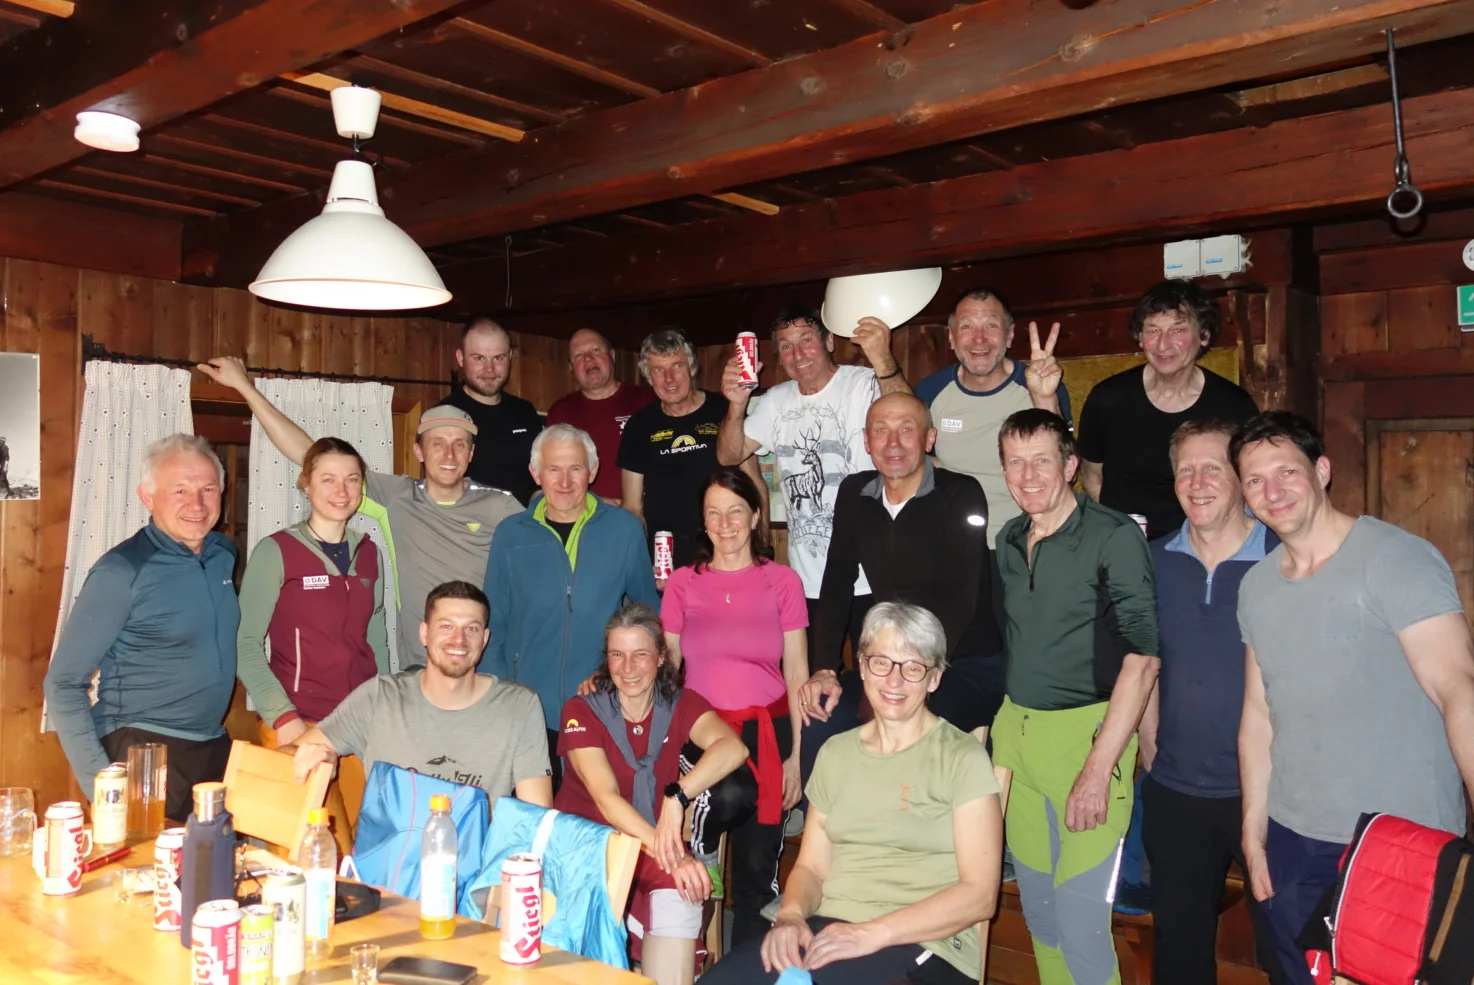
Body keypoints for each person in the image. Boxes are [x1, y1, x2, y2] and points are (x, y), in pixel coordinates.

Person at [1234, 411, 1474, 985]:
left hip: (1398, 839)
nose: (1273, 491)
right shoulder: (1256, 585)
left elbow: (1457, 689)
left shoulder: (1396, 558)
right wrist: (1252, 826)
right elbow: (1259, 715)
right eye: (1255, 480)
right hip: (1293, 835)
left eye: (1286, 472)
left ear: (1321, 471)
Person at [702, 602, 1004, 985]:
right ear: (861, 667)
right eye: (881, 662)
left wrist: (872, 933)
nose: (894, 682)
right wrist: (792, 915)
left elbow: (979, 896)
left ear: (934, 679)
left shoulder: (962, 758)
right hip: (829, 930)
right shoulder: (836, 753)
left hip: (923, 942)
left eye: (913, 668)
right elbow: (811, 867)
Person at [199, 356, 521, 667]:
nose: (449, 454)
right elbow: (311, 455)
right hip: (419, 672)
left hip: (484, 669)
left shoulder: (500, 505)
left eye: (460, 444)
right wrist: (246, 388)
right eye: (438, 443)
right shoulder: (396, 497)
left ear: (471, 452)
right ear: (419, 451)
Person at [991, 409, 1159, 985]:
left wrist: (1099, 766)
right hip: (1018, 740)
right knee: (1040, 913)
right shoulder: (1008, 540)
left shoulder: (1112, 536)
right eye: (1015, 462)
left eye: (1042, 460)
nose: (1029, 474)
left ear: (1069, 465)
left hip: (1087, 742)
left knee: (1081, 920)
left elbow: (1144, 657)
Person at [1136, 420, 1285, 985]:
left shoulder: (1283, 555)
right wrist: (1149, 742)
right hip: (1175, 793)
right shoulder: (1152, 561)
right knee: (1179, 954)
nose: (1197, 483)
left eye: (1212, 468)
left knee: (1286, 947)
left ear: (1241, 480)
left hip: (1274, 794)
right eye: (1185, 470)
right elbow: (1140, 659)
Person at [800, 393, 1003, 783]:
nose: (893, 443)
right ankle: (826, 839)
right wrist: (825, 667)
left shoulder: (961, 494)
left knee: (906, 736)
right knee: (820, 716)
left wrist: (912, 671)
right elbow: (837, 582)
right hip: (891, 661)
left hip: (964, 663)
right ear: (866, 441)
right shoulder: (855, 494)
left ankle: (910, 839)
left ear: (929, 439)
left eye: (906, 430)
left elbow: (960, 602)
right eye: (881, 430)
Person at [45, 434, 238, 821]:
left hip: (212, 749)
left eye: (208, 488)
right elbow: (63, 684)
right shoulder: (122, 571)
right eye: (180, 490)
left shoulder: (223, 555)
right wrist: (103, 791)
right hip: (142, 754)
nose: (197, 504)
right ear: (147, 497)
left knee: (212, 878)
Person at [557, 604, 749, 985]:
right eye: (617, 655)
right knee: (680, 869)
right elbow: (607, 800)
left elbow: (733, 748)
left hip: (644, 839)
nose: (628, 668)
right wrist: (672, 855)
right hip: (587, 845)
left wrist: (678, 796)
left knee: (686, 886)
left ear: (661, 657)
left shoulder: (680, 703)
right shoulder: (582, 709)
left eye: (640, 654)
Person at [660, 467, 809, 945]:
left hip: (769, 728)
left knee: (758, 868)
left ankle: (748, 968)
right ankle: (698, 869)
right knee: (728, 795)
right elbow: (668, 670)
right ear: (703, 522)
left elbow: (797, 671)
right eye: (713, 514)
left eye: (735, 512)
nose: (725, 524)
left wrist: (798, 757)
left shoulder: (781, 581)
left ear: (756, 516)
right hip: (703, 730)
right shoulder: (683, 583)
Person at [717, 304, 911, 649]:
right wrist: (736, 404)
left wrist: (884, 361)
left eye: (807, 340)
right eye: (786, 346)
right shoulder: (775, 401)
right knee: (817, 678)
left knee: (881, 669)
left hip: (874, 574)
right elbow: (729, 455)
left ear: (829, 341)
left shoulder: (864, 383)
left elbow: (911, 421)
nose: (798, 353)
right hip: (810, 580)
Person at [481, 424, 661, 782]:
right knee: (536, 818)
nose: (565, 482)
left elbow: (646, 614)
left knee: (595, 816)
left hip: (603, 703)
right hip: (528, 705)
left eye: (575, 469)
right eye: (554, 469)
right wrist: (501, 693)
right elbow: (494, 621)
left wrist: (617, 674)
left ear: (592, 472)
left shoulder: (624, 530)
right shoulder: (510, 533)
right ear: (535, 473)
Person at [235, 436, 389, 853]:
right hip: (299, 724)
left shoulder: (369, 552)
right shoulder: (276, 552)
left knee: (363, 860)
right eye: (328, 479)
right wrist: (285, 721)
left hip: (358, 730)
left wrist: (386, 708)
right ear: (306, 484)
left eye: (352, 480)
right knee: (305, 859)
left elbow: (376, 637)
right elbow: (244, 644)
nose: (341, 491)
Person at [292, 581, 552, 806]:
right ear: (424, 634)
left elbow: (536, 816)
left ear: (484, 640)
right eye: (446, 626)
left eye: (471, 629)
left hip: (477, 861)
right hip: (387, 861)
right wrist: (320, 757)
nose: (459, 640)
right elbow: (285, 755)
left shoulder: (519, 706)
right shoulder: (380, 696)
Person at [1076, 280, 1258, 538]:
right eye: (1152, 330)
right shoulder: (1107, 398)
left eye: (1178, 330)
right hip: (1123, 544)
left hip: (1201, 543)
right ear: (1140, 337)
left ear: (1204, 335)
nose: (1163, 345)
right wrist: (1115, 530)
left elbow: (1250, 482)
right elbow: (1092, 473)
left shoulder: (1233, 405)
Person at [913, 290, 1069, 549]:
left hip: (1032, 543)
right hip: (954, 544)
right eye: (967, 326)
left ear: (1009, 336)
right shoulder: (930, 391)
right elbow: (911, 461)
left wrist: (1043, 398)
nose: (979, 338)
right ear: (951, 337)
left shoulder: (1039, 385)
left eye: (991, 325)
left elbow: (1063, 468)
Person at [619, 329, 764, 573]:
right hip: (665, 559)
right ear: (648, 377)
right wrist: (636, 564)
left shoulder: (725, 410)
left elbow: (754, 483)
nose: (668, 378)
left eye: (676, 366)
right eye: (658, 370)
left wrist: (763, 546)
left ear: (692, 367)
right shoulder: (638, 426)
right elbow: (632, 508)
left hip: (726, 552)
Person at [438, 316, 543, 505]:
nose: (490, 369)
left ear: (510, 357)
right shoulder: (443, 417)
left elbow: (537, 485)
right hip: (467, 531)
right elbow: (439, 493)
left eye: (498, 358)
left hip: (523, 529)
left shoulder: (525, 412)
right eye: (478, 358)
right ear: (461, 358)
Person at [547, 328, 655, 504]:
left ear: (612, 355)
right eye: (579, 355)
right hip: (582, 518)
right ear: (571, 367)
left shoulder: (646, 401)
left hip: (643, 516)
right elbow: (550, 474)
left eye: (595, 350)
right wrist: (595, 503)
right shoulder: (560, 412)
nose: (588, 359)